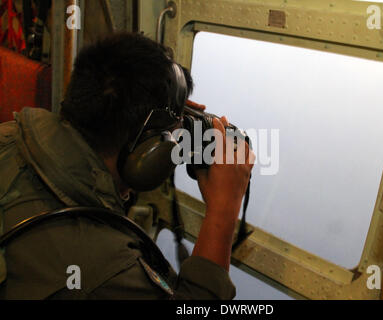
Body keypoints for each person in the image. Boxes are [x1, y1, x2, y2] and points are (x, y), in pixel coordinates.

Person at [0, 32, 254, 299]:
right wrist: (224, 210)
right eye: (174, 137)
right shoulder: (106, 269)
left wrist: (165, 119)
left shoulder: (9, 135)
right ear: (149, 151)